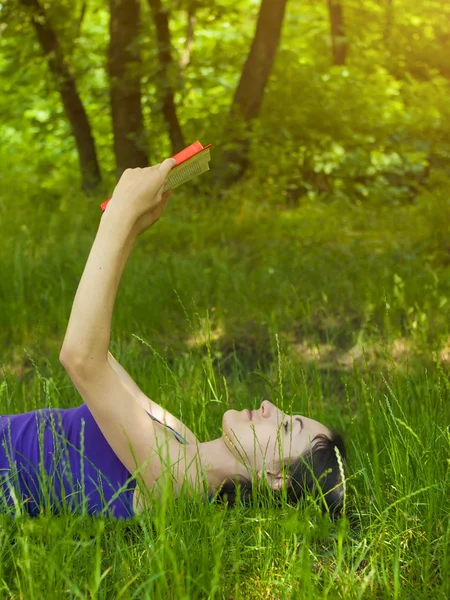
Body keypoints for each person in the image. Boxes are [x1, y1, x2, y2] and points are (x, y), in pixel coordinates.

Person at [0, 161, 346, 519]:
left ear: (276, 477)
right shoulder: (183, 442)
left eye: (286, 425)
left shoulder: (177, 480)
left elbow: (81, 358)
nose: (269, 405)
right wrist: (131, 227)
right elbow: (99, 356)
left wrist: (118, 216)